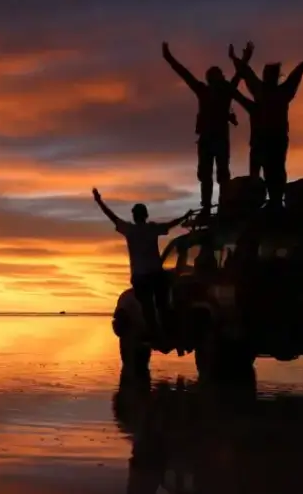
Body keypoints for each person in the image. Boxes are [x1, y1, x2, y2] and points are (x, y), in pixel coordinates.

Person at [162, 41, 254, 209]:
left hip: (217, 140)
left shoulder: (224, 90)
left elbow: (239, 74)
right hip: (208, 140)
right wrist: (169, 58)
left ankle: (221, 206)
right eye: (218, 75)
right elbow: (185, 74)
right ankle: (207, 207)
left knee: (221, 175)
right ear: (212, 78)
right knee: (207, 176)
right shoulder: (205, 90)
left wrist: (245, 58)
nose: (222, 77)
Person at [92, 187, 192, 342]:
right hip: (154, 276)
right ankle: (164, 332)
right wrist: (185, 216)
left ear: (134, 216)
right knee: (161, 305)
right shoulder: (151, 228)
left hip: (141, 278)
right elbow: (170, 225)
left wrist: (99, 201)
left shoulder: (130, 230)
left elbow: (112, 216)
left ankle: (156, 335)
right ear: (145, 215)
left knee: (148, 308)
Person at [229, 44, 303, 206]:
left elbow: (294, 75)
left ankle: (274, 201)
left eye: (267, 74)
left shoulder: (275, 92)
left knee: (273, 172)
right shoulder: (274, 92)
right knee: (267, 172)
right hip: (265, 140)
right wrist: (237, 59)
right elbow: (247, 74)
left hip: (272, 140)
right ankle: (269, 201)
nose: (265, 76)